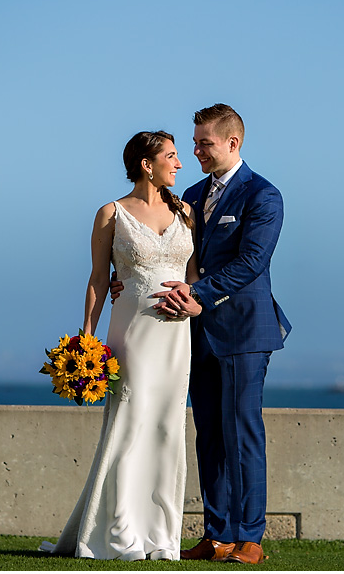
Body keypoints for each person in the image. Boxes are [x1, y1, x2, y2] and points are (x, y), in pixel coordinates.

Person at [112, 104, 291, 564]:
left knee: (243, 431)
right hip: (191, 334)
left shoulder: (263, 196)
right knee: (208, 433)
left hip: (246, 332)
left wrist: (199, 293)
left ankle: (250, 537)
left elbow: (252, 262)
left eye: (204, 143)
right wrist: (126, 280)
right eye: (193, 144)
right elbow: (162, 250)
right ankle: (217, 534)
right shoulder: (188, 195)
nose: (195, 152)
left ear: (233, 143)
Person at [39, 131, 201, 561]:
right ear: (147, 165)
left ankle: (162, 537)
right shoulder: (111, 213)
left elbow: (196, 275)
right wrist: (86, 341)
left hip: (174, 338)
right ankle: (120, 529)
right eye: (171, 156)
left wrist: (193, 305)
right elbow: (97, 278)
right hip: (130, 336)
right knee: (130, 424)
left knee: (167, 428)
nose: (179, 164)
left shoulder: (186, 212)